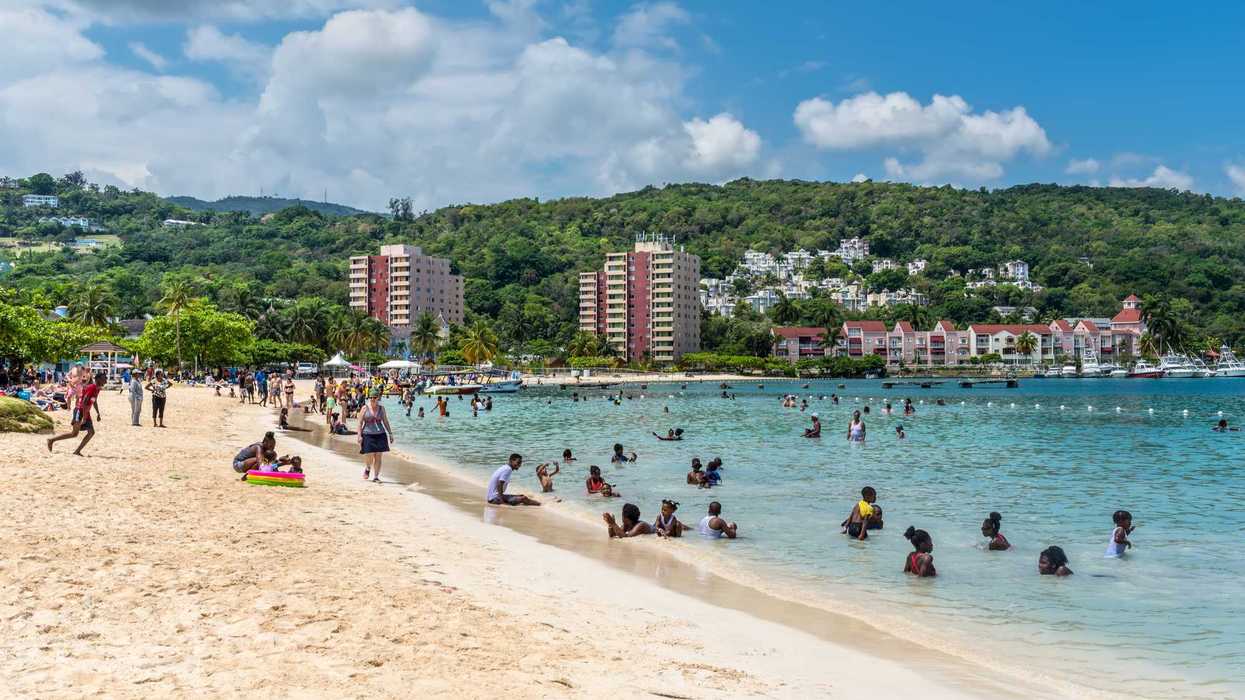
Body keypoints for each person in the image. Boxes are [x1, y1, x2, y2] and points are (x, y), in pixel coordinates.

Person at [48, 371, 104, 456]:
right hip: (80, 410)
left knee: (91, 432)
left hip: (85, 412)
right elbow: (84, 402)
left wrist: (98, 413)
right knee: (74, 433)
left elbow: (94, 400)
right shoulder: (92, 387)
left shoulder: (97, 388)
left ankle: (77, 451)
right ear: (99, 379)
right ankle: (51, 440)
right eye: (104, 378)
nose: (106, 380)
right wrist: (84, 417)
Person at [358, 392, 395, 483]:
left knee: (378, 455)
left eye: (374, 397)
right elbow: (360, 423)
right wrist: (359, 435)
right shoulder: (364, 408)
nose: (372, 399)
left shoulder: (382, 409)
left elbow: (385, 421)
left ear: (378, 398)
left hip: (380, 434)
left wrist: (390, 433)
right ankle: (368, 467)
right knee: (369, 455)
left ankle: (376, 476)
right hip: (367, 434)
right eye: (371, 397)